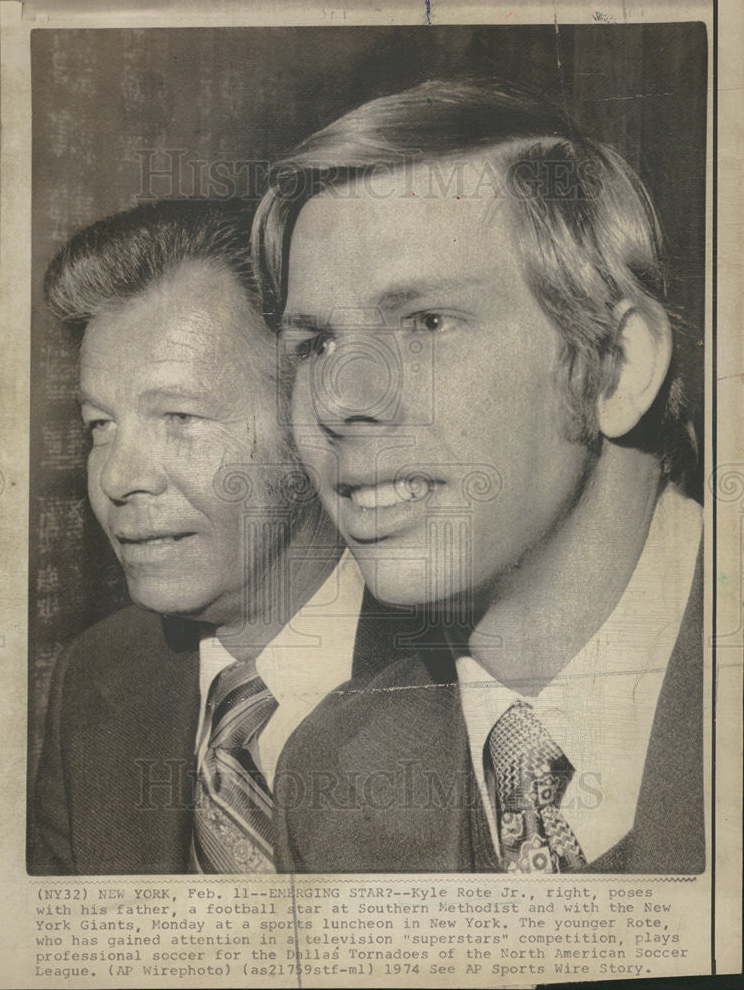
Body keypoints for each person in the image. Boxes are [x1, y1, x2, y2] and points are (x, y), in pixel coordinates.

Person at [253, 80, 704, 874]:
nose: (339, 400)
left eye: (426, 324)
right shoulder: (324, 775)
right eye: (314, 346)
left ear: (618, 366)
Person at [28, 200, 410, 875]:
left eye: (179, 415)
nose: (118, 478)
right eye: (100, 425)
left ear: (312, 418)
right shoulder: (96, 680)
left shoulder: (466, 672)